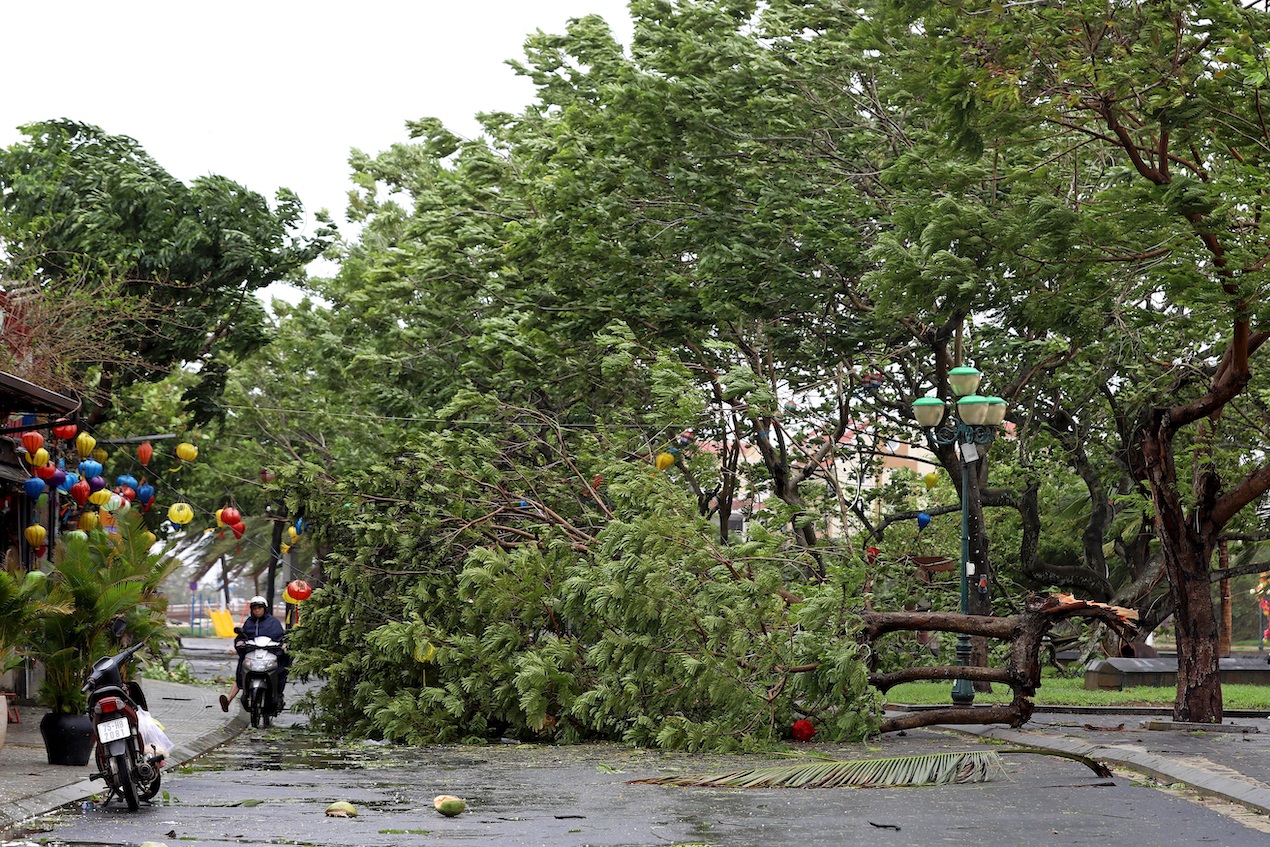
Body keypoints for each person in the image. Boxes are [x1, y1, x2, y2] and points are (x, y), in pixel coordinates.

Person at [219, 596, 289, 712]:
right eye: (254, 608)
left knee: (280, 671)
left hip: (269, 656)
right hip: (252, 656)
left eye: (259, 608)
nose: (257, 610)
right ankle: (229, 699)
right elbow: (241, 637)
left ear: (264, 609)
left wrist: (283, 645)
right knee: (241, 673)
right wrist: (240, 643)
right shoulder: (249, 623)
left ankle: (277, 696)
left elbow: (281, 638)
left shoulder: (273, 623)